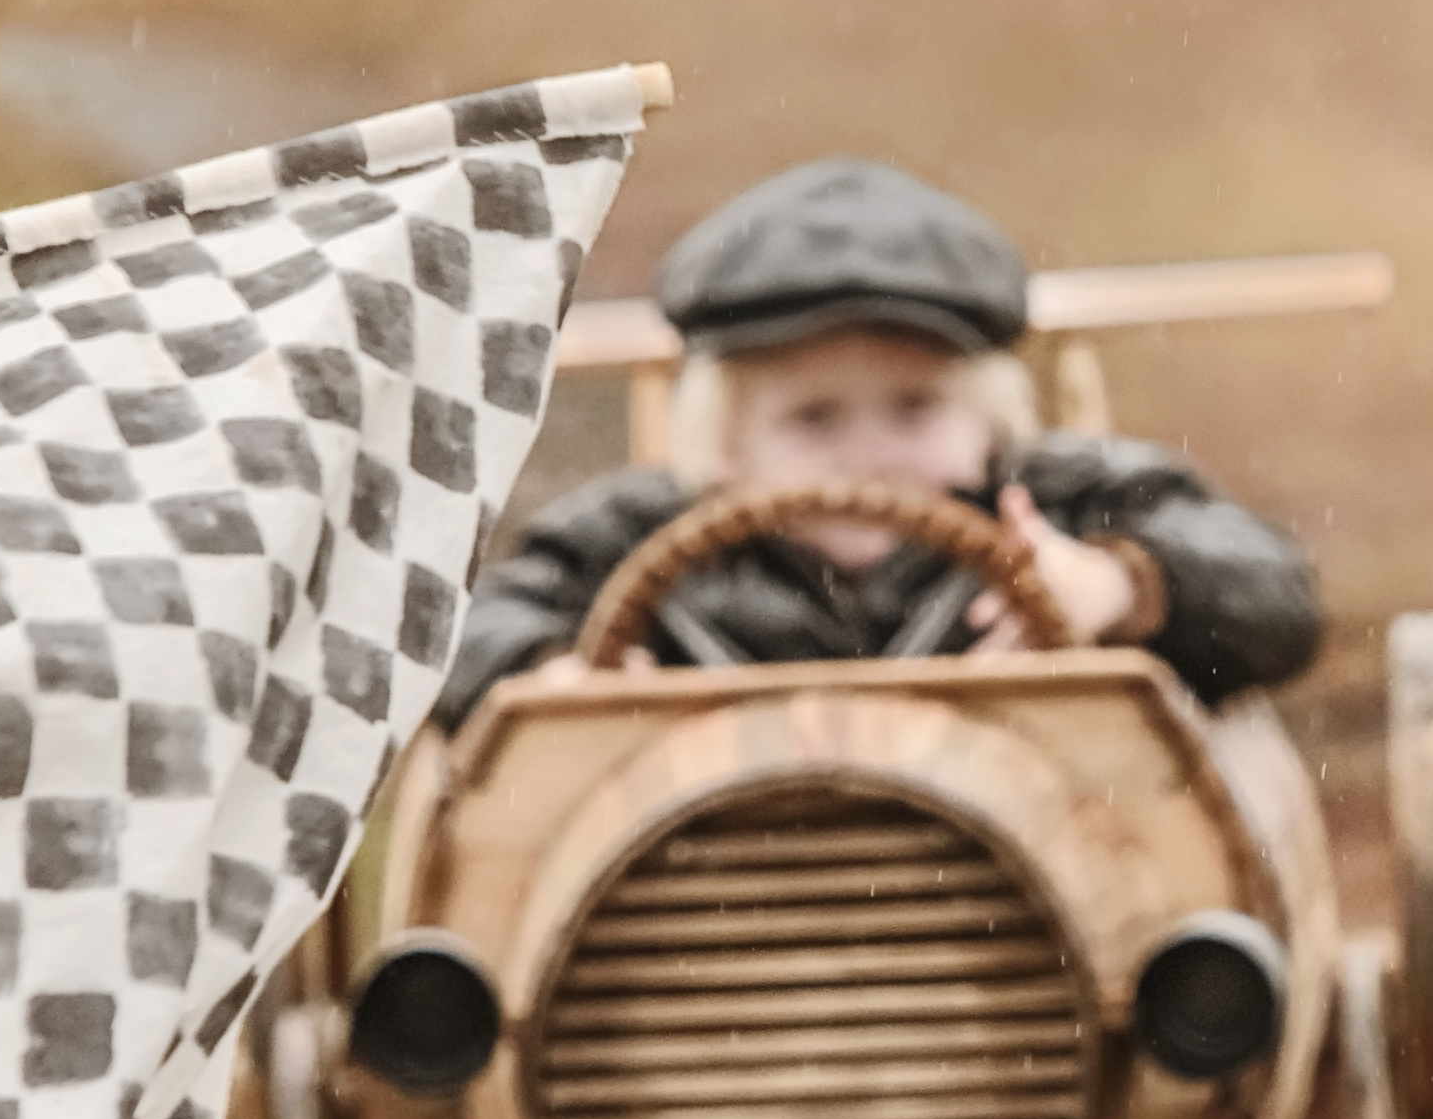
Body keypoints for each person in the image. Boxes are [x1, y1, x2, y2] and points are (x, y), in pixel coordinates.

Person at [442, 158, 1321, 722]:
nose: (870, 458)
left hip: (1040, 894)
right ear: (725, 447)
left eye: (914, 410)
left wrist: (1122, 585)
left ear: (990, 418)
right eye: (814, 419)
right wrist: (553, 666)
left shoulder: (1057, 505)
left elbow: (1277, 595)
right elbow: (467, 626)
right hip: (714, 895)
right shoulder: (650, 538)